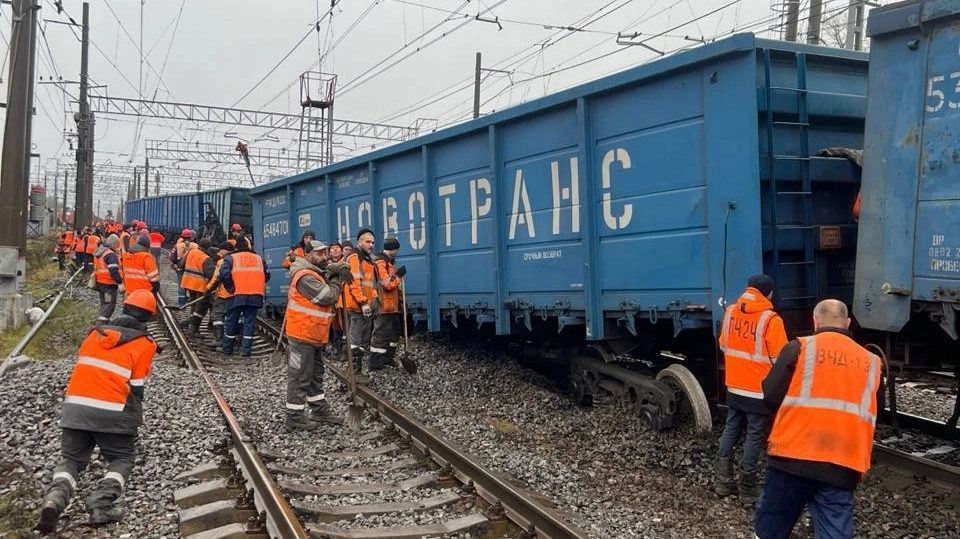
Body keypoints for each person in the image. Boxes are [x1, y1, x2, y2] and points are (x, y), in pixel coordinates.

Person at [754, 299, 882, 539]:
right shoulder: (872, 363)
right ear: (847, 323)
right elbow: (877, 412)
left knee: (770, 529)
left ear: (815, 322)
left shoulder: (799, 348)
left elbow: (770, 396)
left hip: (792, 457)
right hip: (843, 463)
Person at [34, 290, 159, 533]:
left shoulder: (95, 334)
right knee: (122, 457)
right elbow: (137, 387)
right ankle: (101, 504)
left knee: (72, 459)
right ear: (148, 318)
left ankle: (55, 499)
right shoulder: (144, 344)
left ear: (124, 308)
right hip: (112, 411)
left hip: (75, 409)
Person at [715, 274, 788, 504]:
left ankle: (722, 481)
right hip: (758, 390)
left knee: (731, 428)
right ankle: (748, 489)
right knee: (754, 435)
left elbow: (723, 344)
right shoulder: (770, 319)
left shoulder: (731, 312)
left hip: (734, 385)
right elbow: (781, 358)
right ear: (769, 293)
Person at [284, 240, 353, 431]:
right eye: (319, 254)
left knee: (315, 375)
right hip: (302, 334)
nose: (324, 257)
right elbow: (327, 296)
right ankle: (294, 416)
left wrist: (340, 266)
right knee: (299, 376)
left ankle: (319, 410)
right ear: (308, 255)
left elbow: (329, 266)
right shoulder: (305, 276)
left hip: (313, 334)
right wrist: (338, 279)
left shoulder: (314, 268)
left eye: (325, 253)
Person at [218, 235, 268, 356]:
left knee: (232, 320)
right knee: (249, 322)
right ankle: (246, 350)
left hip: (237, 294)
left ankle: (227, 348)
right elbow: (266, 275)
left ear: (236, 246)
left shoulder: (231, 258)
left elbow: (223, 273)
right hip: (255, 295)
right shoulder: (259, 259)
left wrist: (230, 287)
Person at [343, 229, 377, 384]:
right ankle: (354, 373)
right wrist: (363, 302)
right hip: (357, 306)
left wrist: (373, 301)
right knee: (357, 340)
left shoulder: (367, 259)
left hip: (365, 306)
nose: (371, 245)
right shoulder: (355, 257)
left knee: (363, 341)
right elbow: (354, 283)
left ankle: (356, 371)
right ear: (359, 242)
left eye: (373, 242)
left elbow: (369, 285)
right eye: (368, 242)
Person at [369, 237, 406, 370]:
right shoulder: (381, 262)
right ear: (393, 249)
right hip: (383, 306)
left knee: (394, 333)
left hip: (391, 306)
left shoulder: (388, 262)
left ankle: (387, 358)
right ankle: (375, 362)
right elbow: (387, 284)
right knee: (380, 334)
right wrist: (397, 276)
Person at [179, 238, 213, 336]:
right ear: (208, 247)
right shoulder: (206, 258)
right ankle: (193, 329)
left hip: (188, 282)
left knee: (193, 305)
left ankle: (191, 323)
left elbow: (181, 264)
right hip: (199, 285)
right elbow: (209, 274)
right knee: (200, 308)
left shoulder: (191, 252)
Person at [204, 242, 235, 346]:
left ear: (224, 250)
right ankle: (235, 339)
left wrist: (208, 289)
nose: (218, 253)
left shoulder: (222, 261)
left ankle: (219, 339)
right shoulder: (237, 259)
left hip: (224, 294)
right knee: (234, 316)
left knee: (217, 316)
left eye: (220, 250)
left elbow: (216, 277)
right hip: (237, 294)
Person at [93, 234, 124, 326]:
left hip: (100, 283)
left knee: (104, 303)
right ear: (114, 244)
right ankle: (101, 324)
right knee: (109, 305)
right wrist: (119, 281)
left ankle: (101, 321)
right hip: (108, 285)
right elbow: (113, 270)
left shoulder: (101, 252)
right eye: (117, 245)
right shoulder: (110, 254)